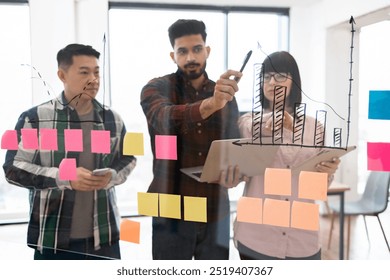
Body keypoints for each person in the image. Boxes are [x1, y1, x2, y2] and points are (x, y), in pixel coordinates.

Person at [3, 44, 136, 260]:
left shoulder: (113, 118)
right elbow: (13, 169)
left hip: (105, 237)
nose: (93, 79)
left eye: (96, 72)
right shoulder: (35, 119)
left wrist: (112, 176)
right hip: (53, 240)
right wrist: (65, 177)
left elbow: (127, 159)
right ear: (62, 75)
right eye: (84, 72)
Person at [140, 19, 243, 260]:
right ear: (172, 55)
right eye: (182, 51)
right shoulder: (156, 88)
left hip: (215, 209)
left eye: (197, 49)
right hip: (171, 210)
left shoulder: (226, 96)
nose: (191, 58)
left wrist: (235, 174)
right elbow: (163, 117)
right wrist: (211, 105)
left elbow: (234, 147)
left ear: (207, 50)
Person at [230, 51, 340, 260]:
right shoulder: (247, 122)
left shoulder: (314, 127)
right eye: (267, 76)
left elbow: (317, 188)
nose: (272, 82)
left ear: (294, 82)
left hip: (303, 238)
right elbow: (250, 129)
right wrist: (276, 118)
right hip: (256, 235)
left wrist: (327, 172)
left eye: (280, 76)